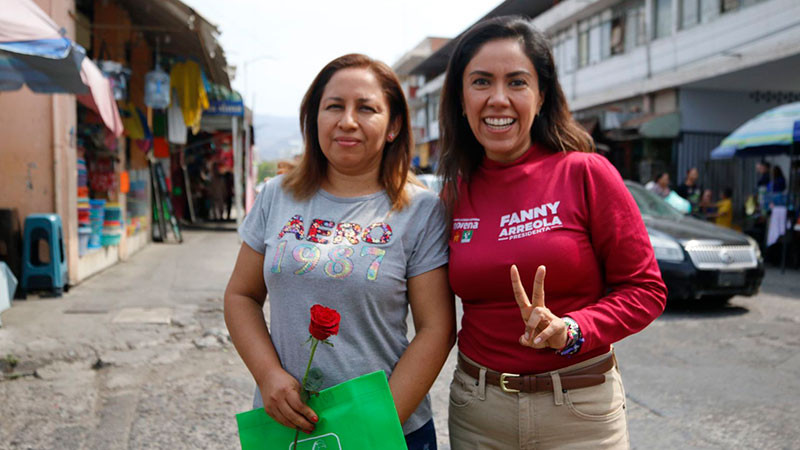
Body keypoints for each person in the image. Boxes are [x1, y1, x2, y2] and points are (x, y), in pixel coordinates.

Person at [436, 17, 667, 449]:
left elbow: (645, 289)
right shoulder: (454, 193)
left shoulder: (586, 173)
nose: (498, 99)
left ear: (541, 96)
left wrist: (573, 329)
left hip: (579, 411)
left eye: (517, 82)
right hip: (478, 411)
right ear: (461, 99)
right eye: (481, 81)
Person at [224, 53, 455, 449]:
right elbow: (240, 296)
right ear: (315, 119)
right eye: (334, 106)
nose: (347, 121)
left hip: (387, 429)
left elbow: (436, 329)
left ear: (393, 125)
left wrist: (372, 425)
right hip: (288, 425)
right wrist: (268, 376)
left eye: (366, 108)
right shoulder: (276, 197)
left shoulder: (419, 210)